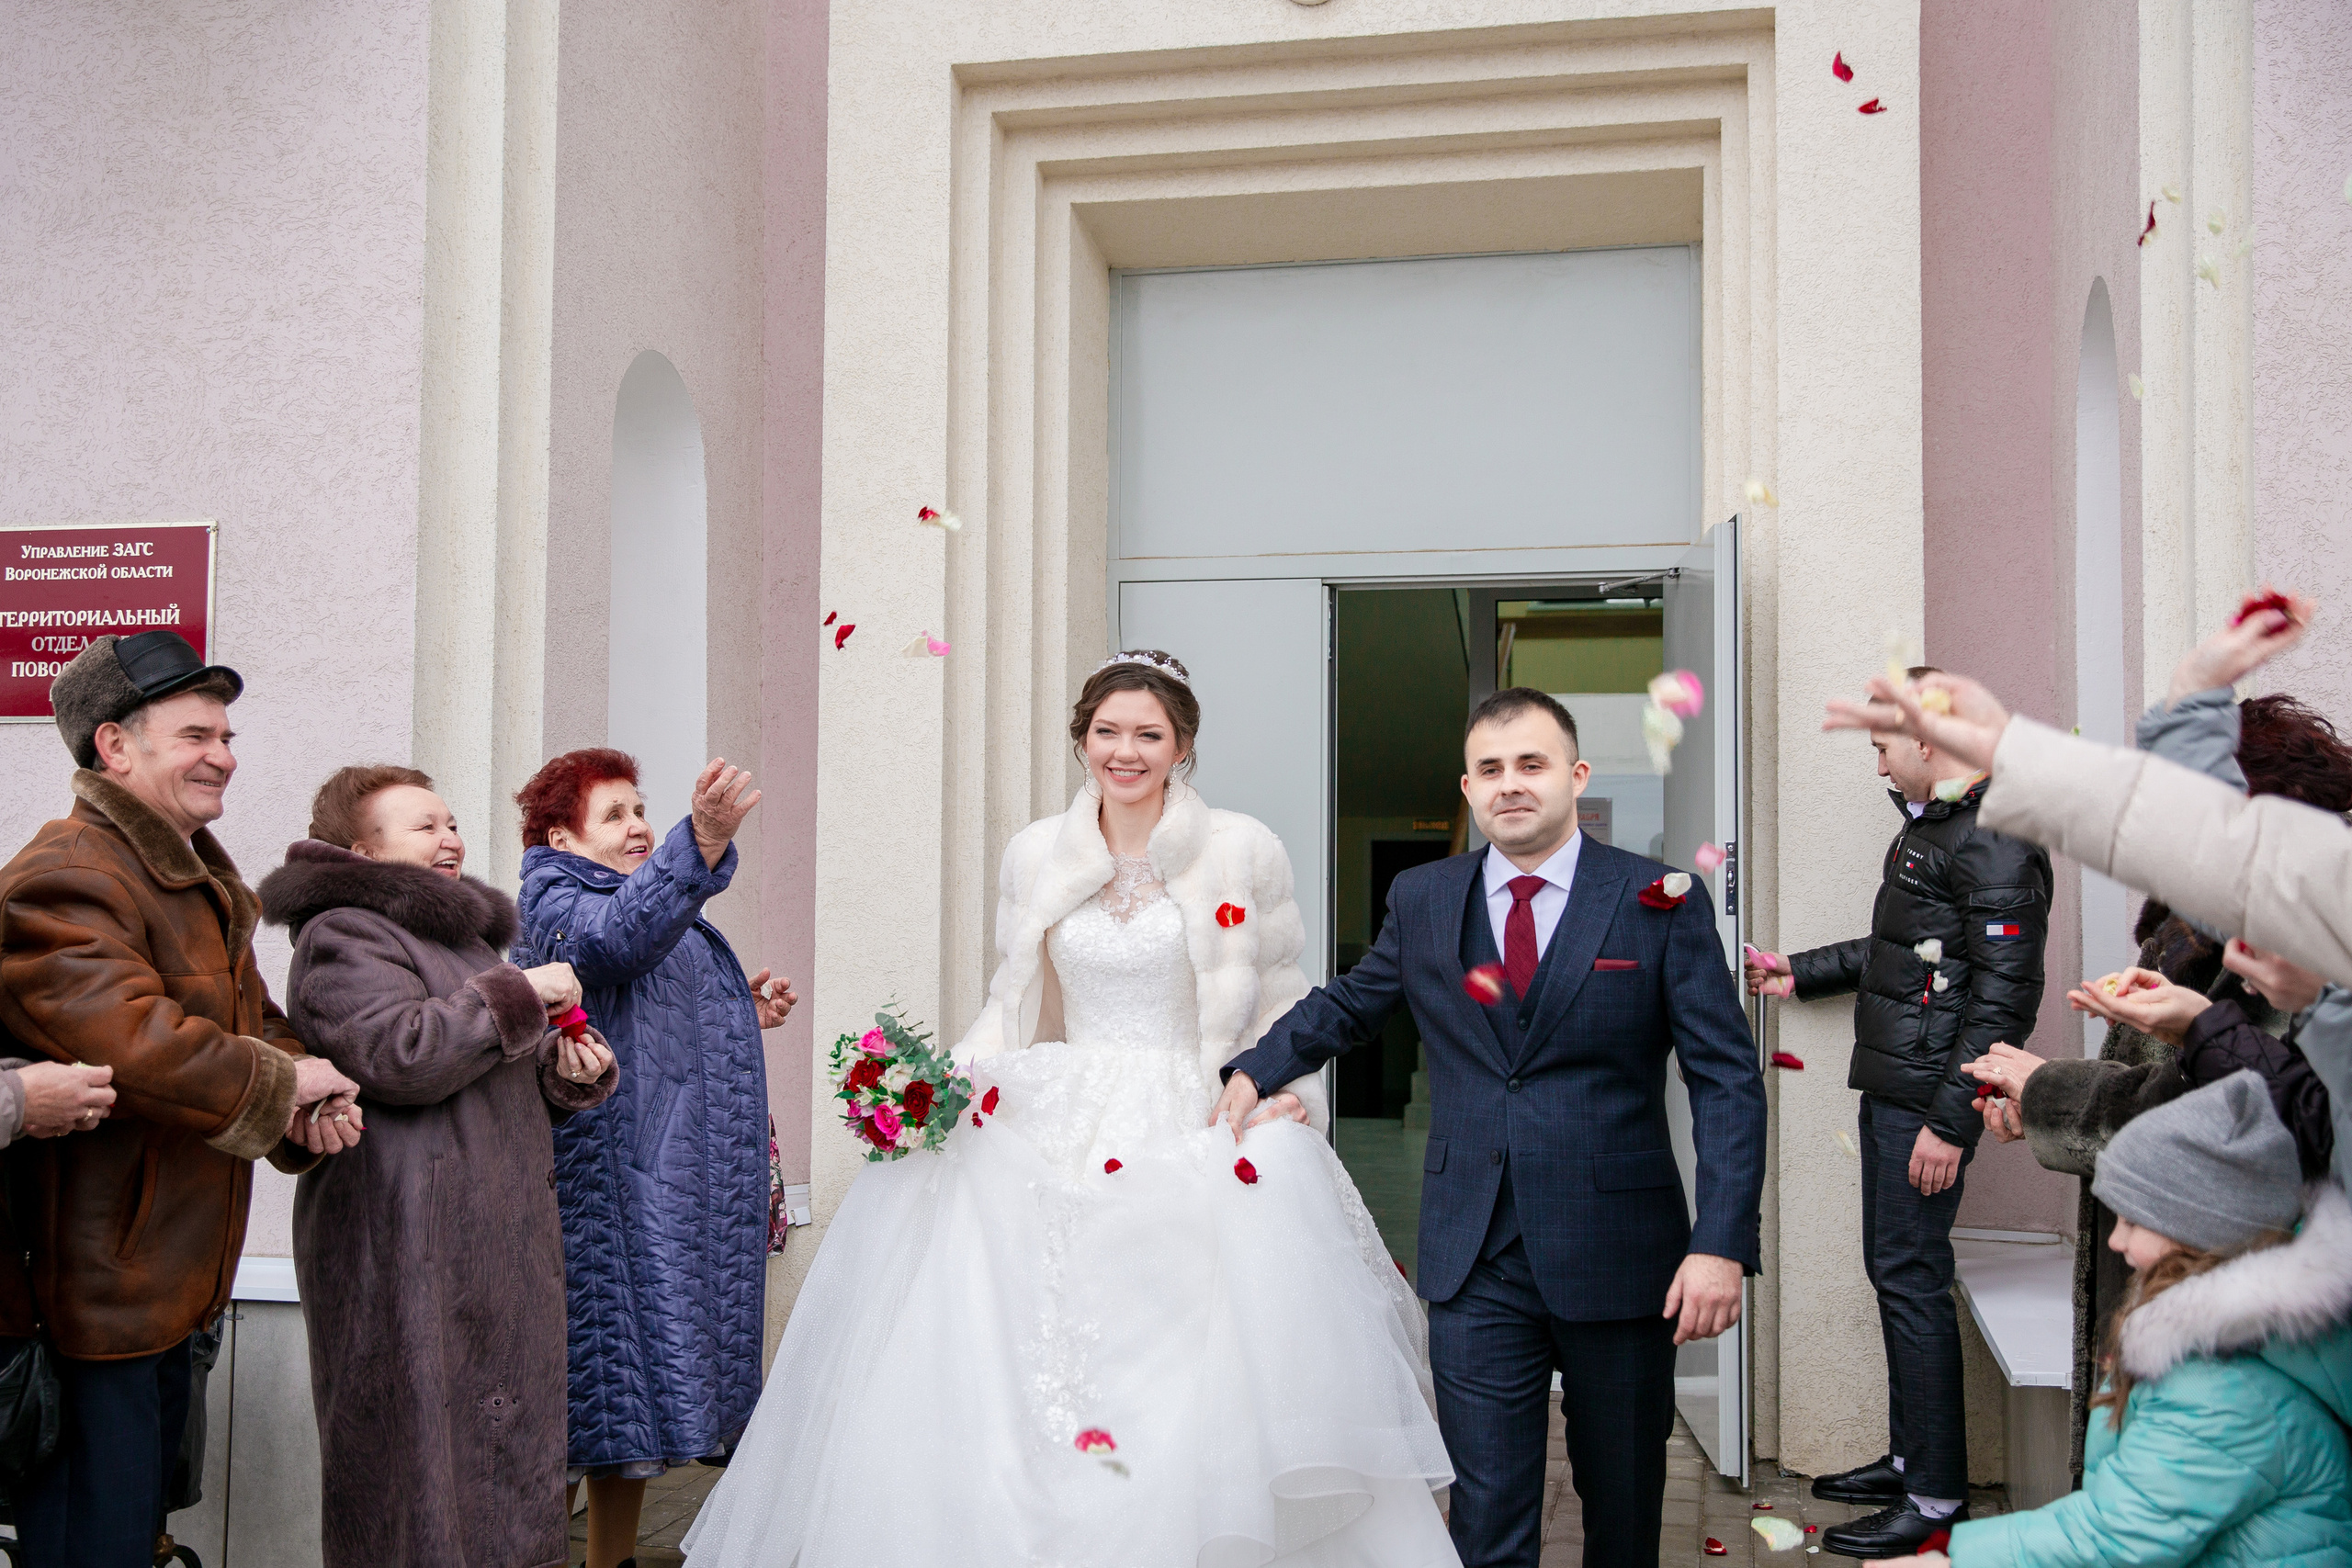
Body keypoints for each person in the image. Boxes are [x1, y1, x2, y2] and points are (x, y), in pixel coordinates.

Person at [684, 651, 1458, 1568]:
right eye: (1107, 732)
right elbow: (1011, 1005)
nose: (1124, 751)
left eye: (1148, 735)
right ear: (1082, 738)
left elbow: (1283, 1002)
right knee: (1027, 1342)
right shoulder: (1036, 853)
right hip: (1066, 1100)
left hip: (1195, 1110)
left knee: (1184, 1357)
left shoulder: (1241, 850)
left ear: (1182, 747)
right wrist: (935, 1086)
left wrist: (1289, 1095)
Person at [1219, 685, 1768, 1568]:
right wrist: (1251, 1070)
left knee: (1623, 1508)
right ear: (1468, 788)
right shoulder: (1425, 895)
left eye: (1532, 764)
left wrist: (1721, 1242)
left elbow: (1727, 1080)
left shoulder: (1656, 899)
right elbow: (1352, 1006)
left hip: (1621, 1254)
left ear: (1575, 776)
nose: (1511, 784)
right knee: (1485, 1511)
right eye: (1491, 769)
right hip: (1474, 1253)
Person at [0, 630, 362, 1566]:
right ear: (114, 746)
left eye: (228, 736)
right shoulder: (66, 870)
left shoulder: (188, 869)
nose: (225, 757)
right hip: (95, 1304)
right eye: (197, 735)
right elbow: (133, 1037)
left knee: (135, 1539)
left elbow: (254, 1017)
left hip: (168, 1286)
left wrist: (299, 1103)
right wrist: (281, 1082)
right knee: (91, 1545)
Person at [260, 765, 617, 1568]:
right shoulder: (344, 931)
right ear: (361, 849)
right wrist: (520, 995)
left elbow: (479, 1074)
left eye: (451, 822)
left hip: (486, 1242)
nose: (450, 837)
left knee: (495, 1466)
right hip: (405, 1248)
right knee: (415, 1479)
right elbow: (401, 1054)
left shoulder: (460, 942)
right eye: (424, 825)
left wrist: (566, 1072)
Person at [1742, 671, 2052, 1555]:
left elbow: (2003, 1004)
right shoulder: (1938, 828)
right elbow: (1900, 948)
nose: (1876, 761)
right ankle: (1913, 1455)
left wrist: (1952, 1121)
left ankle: (1936, 1498)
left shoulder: (1995, 838)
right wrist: (1797, 970)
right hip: (1900, 1089)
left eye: (1883, 744)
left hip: (1927, 1102)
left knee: (1911, 1279)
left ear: (1931, 739)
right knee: (1896, 1274)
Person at [1882, 1071, 2352, 1568]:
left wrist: (1951, 1560)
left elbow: (2115, 1537)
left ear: (2195, 1230)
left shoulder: (2227, 1390)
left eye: (2131, 1220)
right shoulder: (2215, 1343)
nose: (2115, 1241)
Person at [511, 750, 795, 1568]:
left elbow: (640, 1004)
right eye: (616, 815)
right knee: (581, 1398)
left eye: (643, 810)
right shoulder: (556, 900)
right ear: (561, 836)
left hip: (664, 1182)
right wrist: (697, 839)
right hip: (607, 1184)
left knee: (623, 1413)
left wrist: (740, 1009)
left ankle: (611, 1560)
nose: (638, 826)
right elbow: (612, 945)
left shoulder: (637, 897)